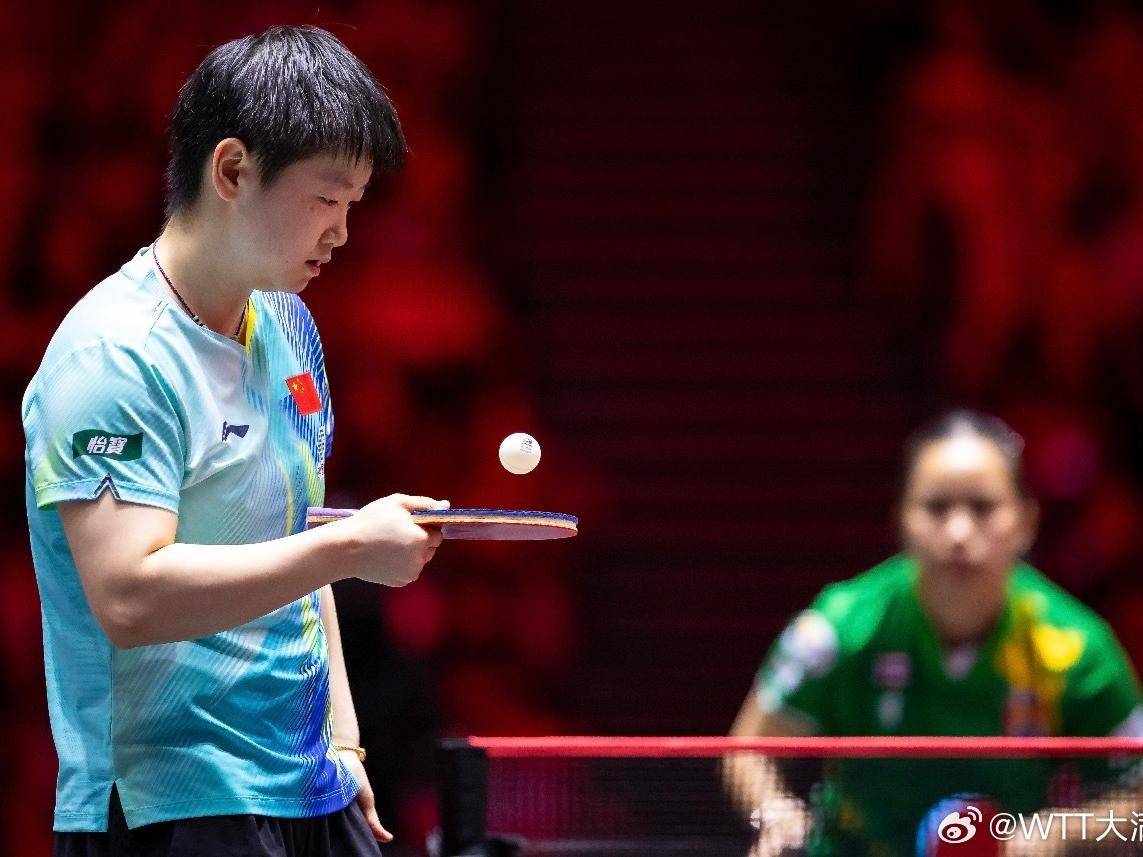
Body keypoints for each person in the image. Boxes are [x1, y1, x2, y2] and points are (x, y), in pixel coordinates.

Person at [22, 25, 447, 857]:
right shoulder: (113, 355)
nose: (342, 232)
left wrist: (345, 742)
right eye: (326, 200)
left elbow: (297, 539)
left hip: (308, 786)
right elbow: (129, 597)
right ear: (230, 171)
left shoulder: (286, 326)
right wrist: (349, 548)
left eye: (353, 205)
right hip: (170, 804)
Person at [726, 410, 1143, 856]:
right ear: (901, 520)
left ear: (1026, 521)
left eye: (983, 508)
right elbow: (749, 750)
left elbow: (1137, 801)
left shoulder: (1078, 650)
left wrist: (1061, 834)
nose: (959, 532)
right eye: (936, 507)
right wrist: (774, 815)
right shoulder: (839, 629)